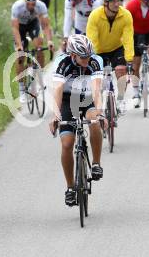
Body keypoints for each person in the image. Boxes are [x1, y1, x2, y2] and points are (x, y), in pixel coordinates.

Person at [49, 35, 106, 206]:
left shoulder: (96, 61)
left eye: (89, 56)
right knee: (67, 143)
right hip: (67, 101)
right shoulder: (61, 62)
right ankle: (70, 187)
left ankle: (96, 163)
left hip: (88, 99)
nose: (87, 60)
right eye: (83, 57)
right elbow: (57, 90)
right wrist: (55, 115)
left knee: (95, 121)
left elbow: (96, 90)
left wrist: (101, 112)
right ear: (73, 55)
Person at [86, 0, 134, 114]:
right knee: (98, 80)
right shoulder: (95, 16)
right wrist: (93, 60)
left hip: (116, 48)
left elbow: (128, 38)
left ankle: (120, 99)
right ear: (105, 3)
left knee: (120, 70)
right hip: (98, 51)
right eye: (113, 1)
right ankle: (99, 105)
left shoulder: (126, 15)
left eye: (118, 0)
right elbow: (92, 41)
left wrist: (129, 60)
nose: (117, 3)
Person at [11, 0, 54, 103]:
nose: (31, 5)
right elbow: (14, 28)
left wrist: (49, 40)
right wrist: (19, 46)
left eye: (33, 2)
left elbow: (46, 25)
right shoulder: (17, 7)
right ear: (25, 0)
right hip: (20, 28)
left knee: (39, 46)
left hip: (33, 24)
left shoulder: (41, 6)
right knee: (20, 57)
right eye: (28, 2)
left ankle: (40, 75)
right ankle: (22, 90)